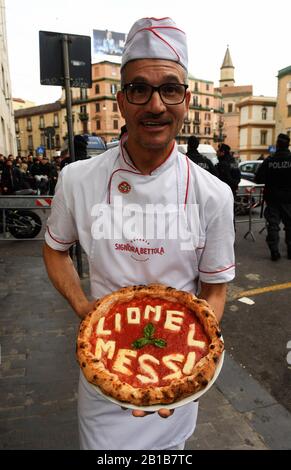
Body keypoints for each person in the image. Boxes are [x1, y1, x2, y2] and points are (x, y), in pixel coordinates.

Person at [43, 17, 235, 450]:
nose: (155, 105)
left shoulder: (214, 195)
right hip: (103, 370)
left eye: (170, 89)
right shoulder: (76, 179)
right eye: (138, 89)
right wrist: (85, 310)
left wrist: (183, 361)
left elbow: (216, 291)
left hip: (178, 384)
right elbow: (55, 251)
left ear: (186, 100)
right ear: (121, 100)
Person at [255, 133, 291, 261]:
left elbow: (258, 178)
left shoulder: (269, 161)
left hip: (273, 198)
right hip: (289, 199)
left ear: (277, 145)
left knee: (273, 225)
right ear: (288, 144)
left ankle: (274, 252)